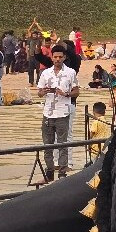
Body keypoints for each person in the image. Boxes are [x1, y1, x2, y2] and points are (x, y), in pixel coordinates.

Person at [37, 45, 79, 182]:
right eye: (55, 57)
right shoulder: (45, 73)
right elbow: (39, 93)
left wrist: (65, 93)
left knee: (62, 144)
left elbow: (76, 91)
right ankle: (49, 173)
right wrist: (44, 91)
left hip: (63, 112)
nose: (58, 59)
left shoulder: (71, 72)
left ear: (64, 57)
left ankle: (62, 174)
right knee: (47, 145)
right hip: (48, 112)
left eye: (60, 57)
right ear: (52, 57)